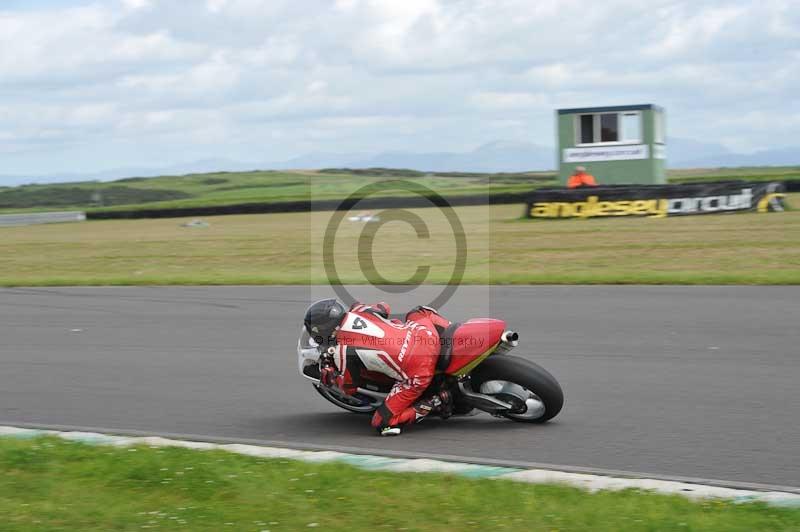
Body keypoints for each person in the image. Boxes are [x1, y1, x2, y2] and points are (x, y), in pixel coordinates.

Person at [303, 299, 453, 436]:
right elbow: (384, 306)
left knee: (382, 423)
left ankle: (436, 401)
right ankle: (452, 332)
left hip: (419, 371)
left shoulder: (342, 351)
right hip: (423, 336)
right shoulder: (361, 311)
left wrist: (333, 379)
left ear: (324, 330)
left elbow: (349, 389)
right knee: (419, 312)